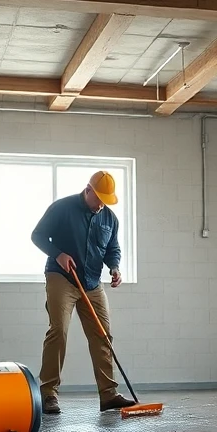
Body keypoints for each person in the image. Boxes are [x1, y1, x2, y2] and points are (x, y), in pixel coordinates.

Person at [30, 171, 136, 415]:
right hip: (62, 277)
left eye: (106, 201)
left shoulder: (110, 218)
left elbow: (113, 248)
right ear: (88, 190)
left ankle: (108, 395)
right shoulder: (62, 208)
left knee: (103, 335)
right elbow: (37, 235)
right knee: (58, 330)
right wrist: (58, 254)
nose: (101, 205)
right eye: (98, 198)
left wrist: (115, 267)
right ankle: (48, 393)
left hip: (92, 282)